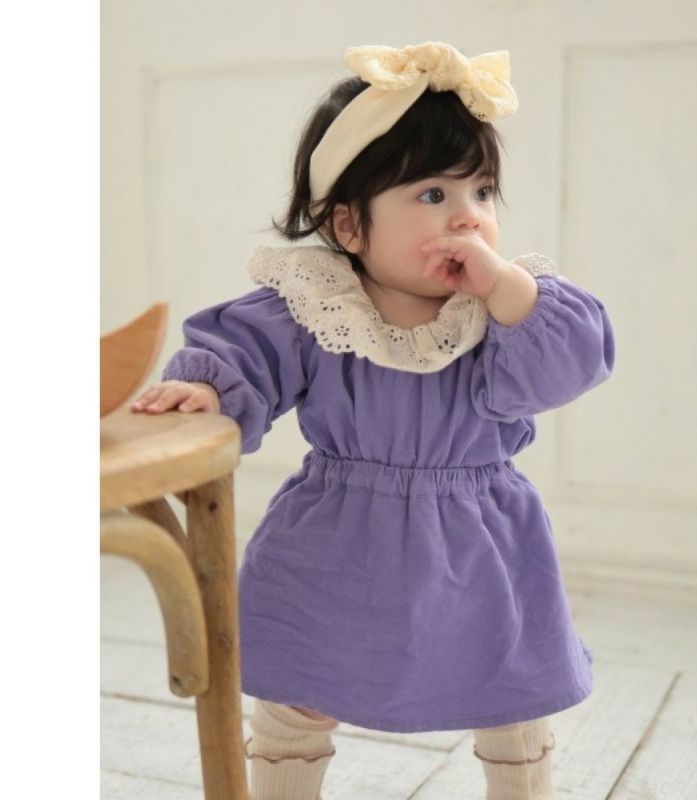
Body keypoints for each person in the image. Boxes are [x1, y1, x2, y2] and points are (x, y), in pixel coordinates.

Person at [132, 41, 615, 800]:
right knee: (297, 689)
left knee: (512, 693)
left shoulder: (499, 310)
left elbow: (572, 362)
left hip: (480, 543)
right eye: (433, 194)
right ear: (350, 227)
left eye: (483, 190)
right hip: (338, 543)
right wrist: (210, 390)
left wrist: (506, 288)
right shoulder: (319, 305)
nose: (468, 216)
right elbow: (246, 354)